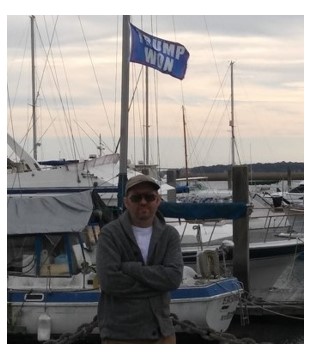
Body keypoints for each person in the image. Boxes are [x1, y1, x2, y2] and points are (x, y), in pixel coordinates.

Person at [96, 174, 184, 344]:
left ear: (157, 200)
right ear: (126, 202)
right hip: (121, 335)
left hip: (162, 332)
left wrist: (130, 269)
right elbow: (109, 282)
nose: (143, 202)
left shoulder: (169, 235)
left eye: (149, 197)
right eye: (136, 197)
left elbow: (173, 279)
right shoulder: (109, 234)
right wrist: (157, 284)